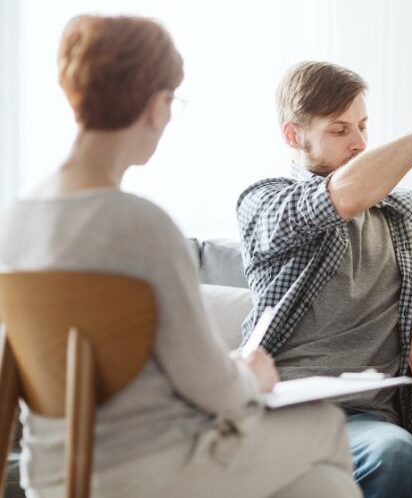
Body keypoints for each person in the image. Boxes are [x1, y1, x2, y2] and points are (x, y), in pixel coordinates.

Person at [0, 15, 360, 498]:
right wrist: (247, 373)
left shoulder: (16, 221)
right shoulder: (141, 225)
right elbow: (214, 389)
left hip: (54, 469)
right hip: (151, 465)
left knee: (322, 485)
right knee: (323, 426)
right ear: (155, 105)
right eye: (172, 102)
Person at [236, 61, 412, 498]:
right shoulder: (264, 202)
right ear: (293, 135)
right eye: (339, 131)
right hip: (277, 409)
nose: (359, 142)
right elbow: (341, 195)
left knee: (394, 453)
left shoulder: (405, 213)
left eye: (362, 126)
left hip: (365, 421)